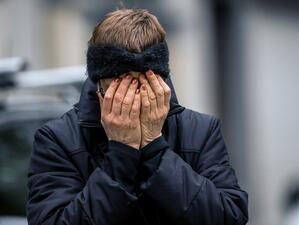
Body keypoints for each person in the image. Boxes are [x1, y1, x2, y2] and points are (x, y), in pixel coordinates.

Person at [26, 8, 248, 225]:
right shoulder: (57, 139)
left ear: (159, 80)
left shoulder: (200, 130)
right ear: (99, 83)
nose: (132, 98)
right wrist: (121, 153)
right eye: (121, 84)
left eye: (143, 83)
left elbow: (229, 216)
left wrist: (155, 148)